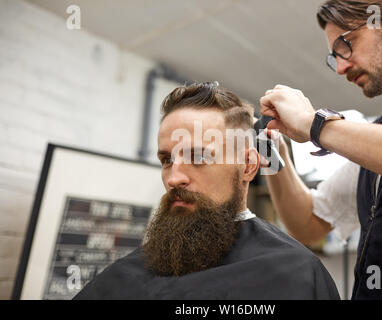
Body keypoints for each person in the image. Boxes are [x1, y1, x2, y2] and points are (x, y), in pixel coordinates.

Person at [74, 82, 339, 300]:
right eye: (167, 160)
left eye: (198, 157)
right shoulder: (121, 277)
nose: (174, 178)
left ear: (248, 165)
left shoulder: (295, 274)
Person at [260, 0, 382, 299]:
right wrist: (270, 150)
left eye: (346, 43)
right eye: (334, 56)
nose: (340, 67)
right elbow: (309, 223)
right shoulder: (380, 138)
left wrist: (316, 125)